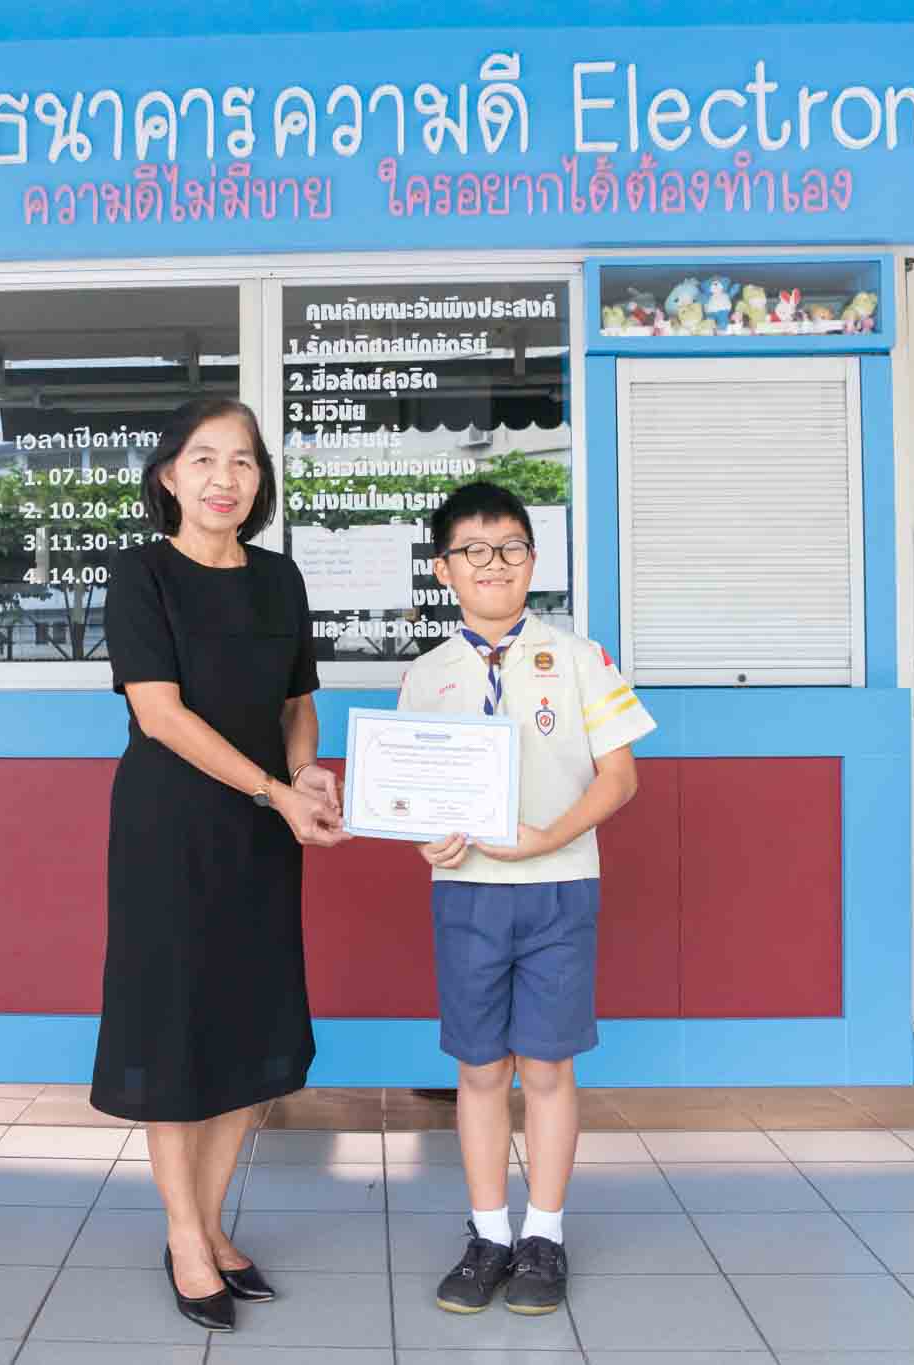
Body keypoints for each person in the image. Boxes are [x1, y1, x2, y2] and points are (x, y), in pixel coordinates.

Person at [92, 398, 348, 1334]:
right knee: (176, 1028)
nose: (223, 478)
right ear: (169, 475)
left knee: (249, 1021)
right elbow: (159, 714)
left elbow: (297, 702)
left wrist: (305, 774)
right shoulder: (142, 574)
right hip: (170, 828)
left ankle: (204, 1221)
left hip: (261, 833)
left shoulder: (280, 579)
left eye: (242, 460)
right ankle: (186, 1235)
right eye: (203, 459)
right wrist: (275, 789)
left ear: (260, 478)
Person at [397, 480, 654, 1317]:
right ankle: (488, 1235)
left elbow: (621, 776)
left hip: (558, 888)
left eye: (510, 547)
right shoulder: (426, 675)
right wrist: (425, 834)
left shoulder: (579, 657)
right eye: (472, 550)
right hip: (467, 893)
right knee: (479, 1068)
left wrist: (548, 837)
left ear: (533, 561)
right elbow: (413, 793)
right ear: (444, 569)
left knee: (546, 1064)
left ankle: (544, 1233)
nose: (494, 564)